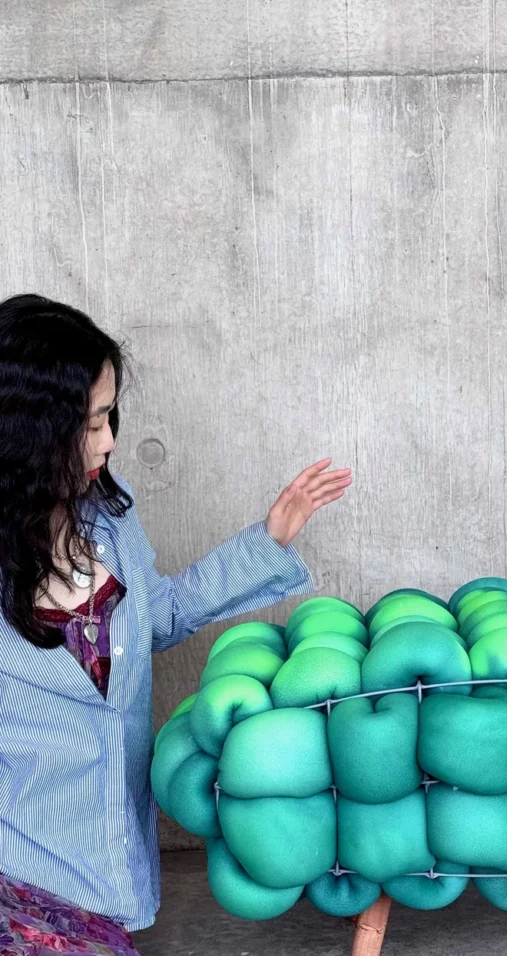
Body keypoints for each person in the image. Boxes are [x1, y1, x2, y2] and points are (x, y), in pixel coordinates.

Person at [0, 293, 352, 955]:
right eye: (89, 422)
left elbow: (154, 617)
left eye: (110, 416)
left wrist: (267, 540)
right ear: (30, 428)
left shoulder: (107, 517)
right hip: (18, 875)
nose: (108, 440)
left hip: (107, 870)